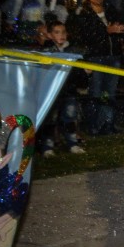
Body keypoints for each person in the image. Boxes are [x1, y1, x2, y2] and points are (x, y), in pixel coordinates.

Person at [69, 0, 124, 136]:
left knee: (110, 93)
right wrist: (105, 31)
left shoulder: (110, 10)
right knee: (96, 92)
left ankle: (107, 124)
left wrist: (120, 29)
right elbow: (85, 36)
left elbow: (120, 24)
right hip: (96, 57)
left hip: (113, 56)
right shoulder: (84, 13)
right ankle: (93, 126)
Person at [37, 20, 87, 156]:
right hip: (51, 91)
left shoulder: (72, 50)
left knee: (70, 117)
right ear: (50, 35)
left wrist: (83, 74)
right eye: (57, 32)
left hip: (68, 90)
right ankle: (47, 146)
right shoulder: (46, 50)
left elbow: (78, 70)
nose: (61, 35)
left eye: (64, 32)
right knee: (50, 119)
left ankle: (72, 143)